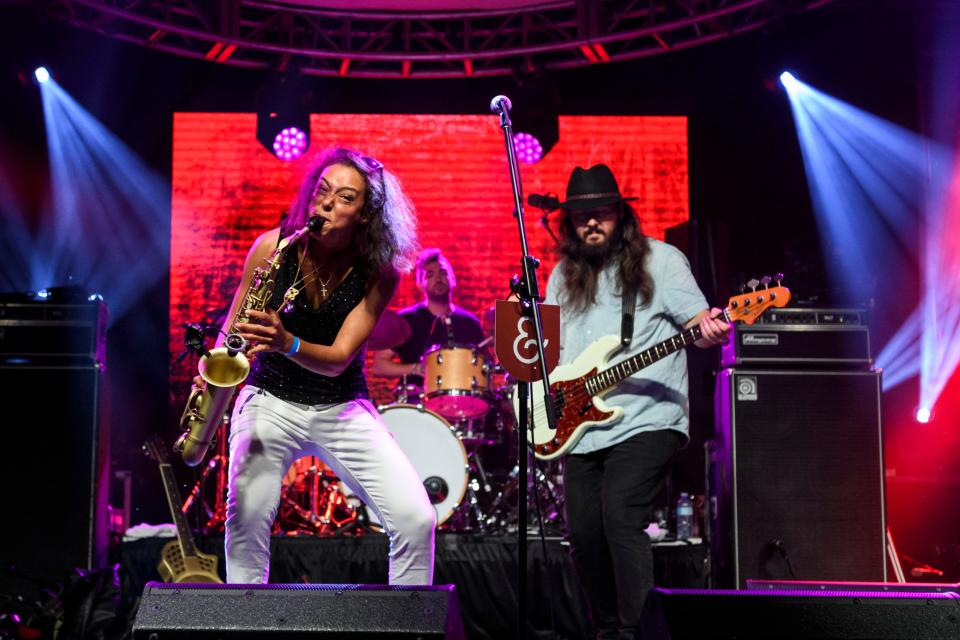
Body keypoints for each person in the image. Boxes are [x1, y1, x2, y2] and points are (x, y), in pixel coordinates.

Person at [217, 147, 435, 584]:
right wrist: (208, 403)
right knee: (245, 522)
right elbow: (230, 336)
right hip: (269, 400)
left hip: (340, 404)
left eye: (346, 197)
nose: (327, 202)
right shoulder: (272, 247)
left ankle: (412, 628)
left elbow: (338, 360)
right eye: (323, 190)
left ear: (367, 215)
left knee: (417, 519)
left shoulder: (379, 270)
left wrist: (286, 341)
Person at [542, 164, 730, 639]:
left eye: (601, 214)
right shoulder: (561, 277)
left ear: (620, 216)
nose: (591, 224)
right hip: (582, 426)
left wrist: (709, 331)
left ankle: (637, 633)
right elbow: (551, 356)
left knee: (621, 516)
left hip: (648, 417)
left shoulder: (663, 261)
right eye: (582, 216)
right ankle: (608, 631)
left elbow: (697, 325)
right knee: (583, 536)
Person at [371, 248, 484, 394]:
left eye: (443, 272)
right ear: (419, 284)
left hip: (462, 402)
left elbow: (483, 368)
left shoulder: (471, 323)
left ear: (453, 279)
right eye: (430, 275)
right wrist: (416, 369)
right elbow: (379, 366)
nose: (438, 279)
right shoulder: (406, 320)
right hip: (417, 405)